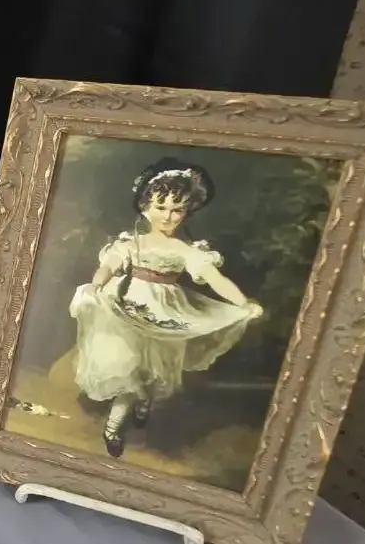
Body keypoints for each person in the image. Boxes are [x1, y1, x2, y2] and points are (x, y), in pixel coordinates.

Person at [68, 158, 263, 458]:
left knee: (154, 371)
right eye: (161, 207)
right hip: (126, 307)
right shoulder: (131, 243)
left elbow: (216, 280)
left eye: (177, 210)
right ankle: (112, 430)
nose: (168, 216)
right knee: (129, 374)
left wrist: (242, 303)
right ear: (146, 207)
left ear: (187, 211)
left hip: (165, 312)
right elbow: (108, 267)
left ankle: (144, 406)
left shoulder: (186, 251)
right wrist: (96, 285)